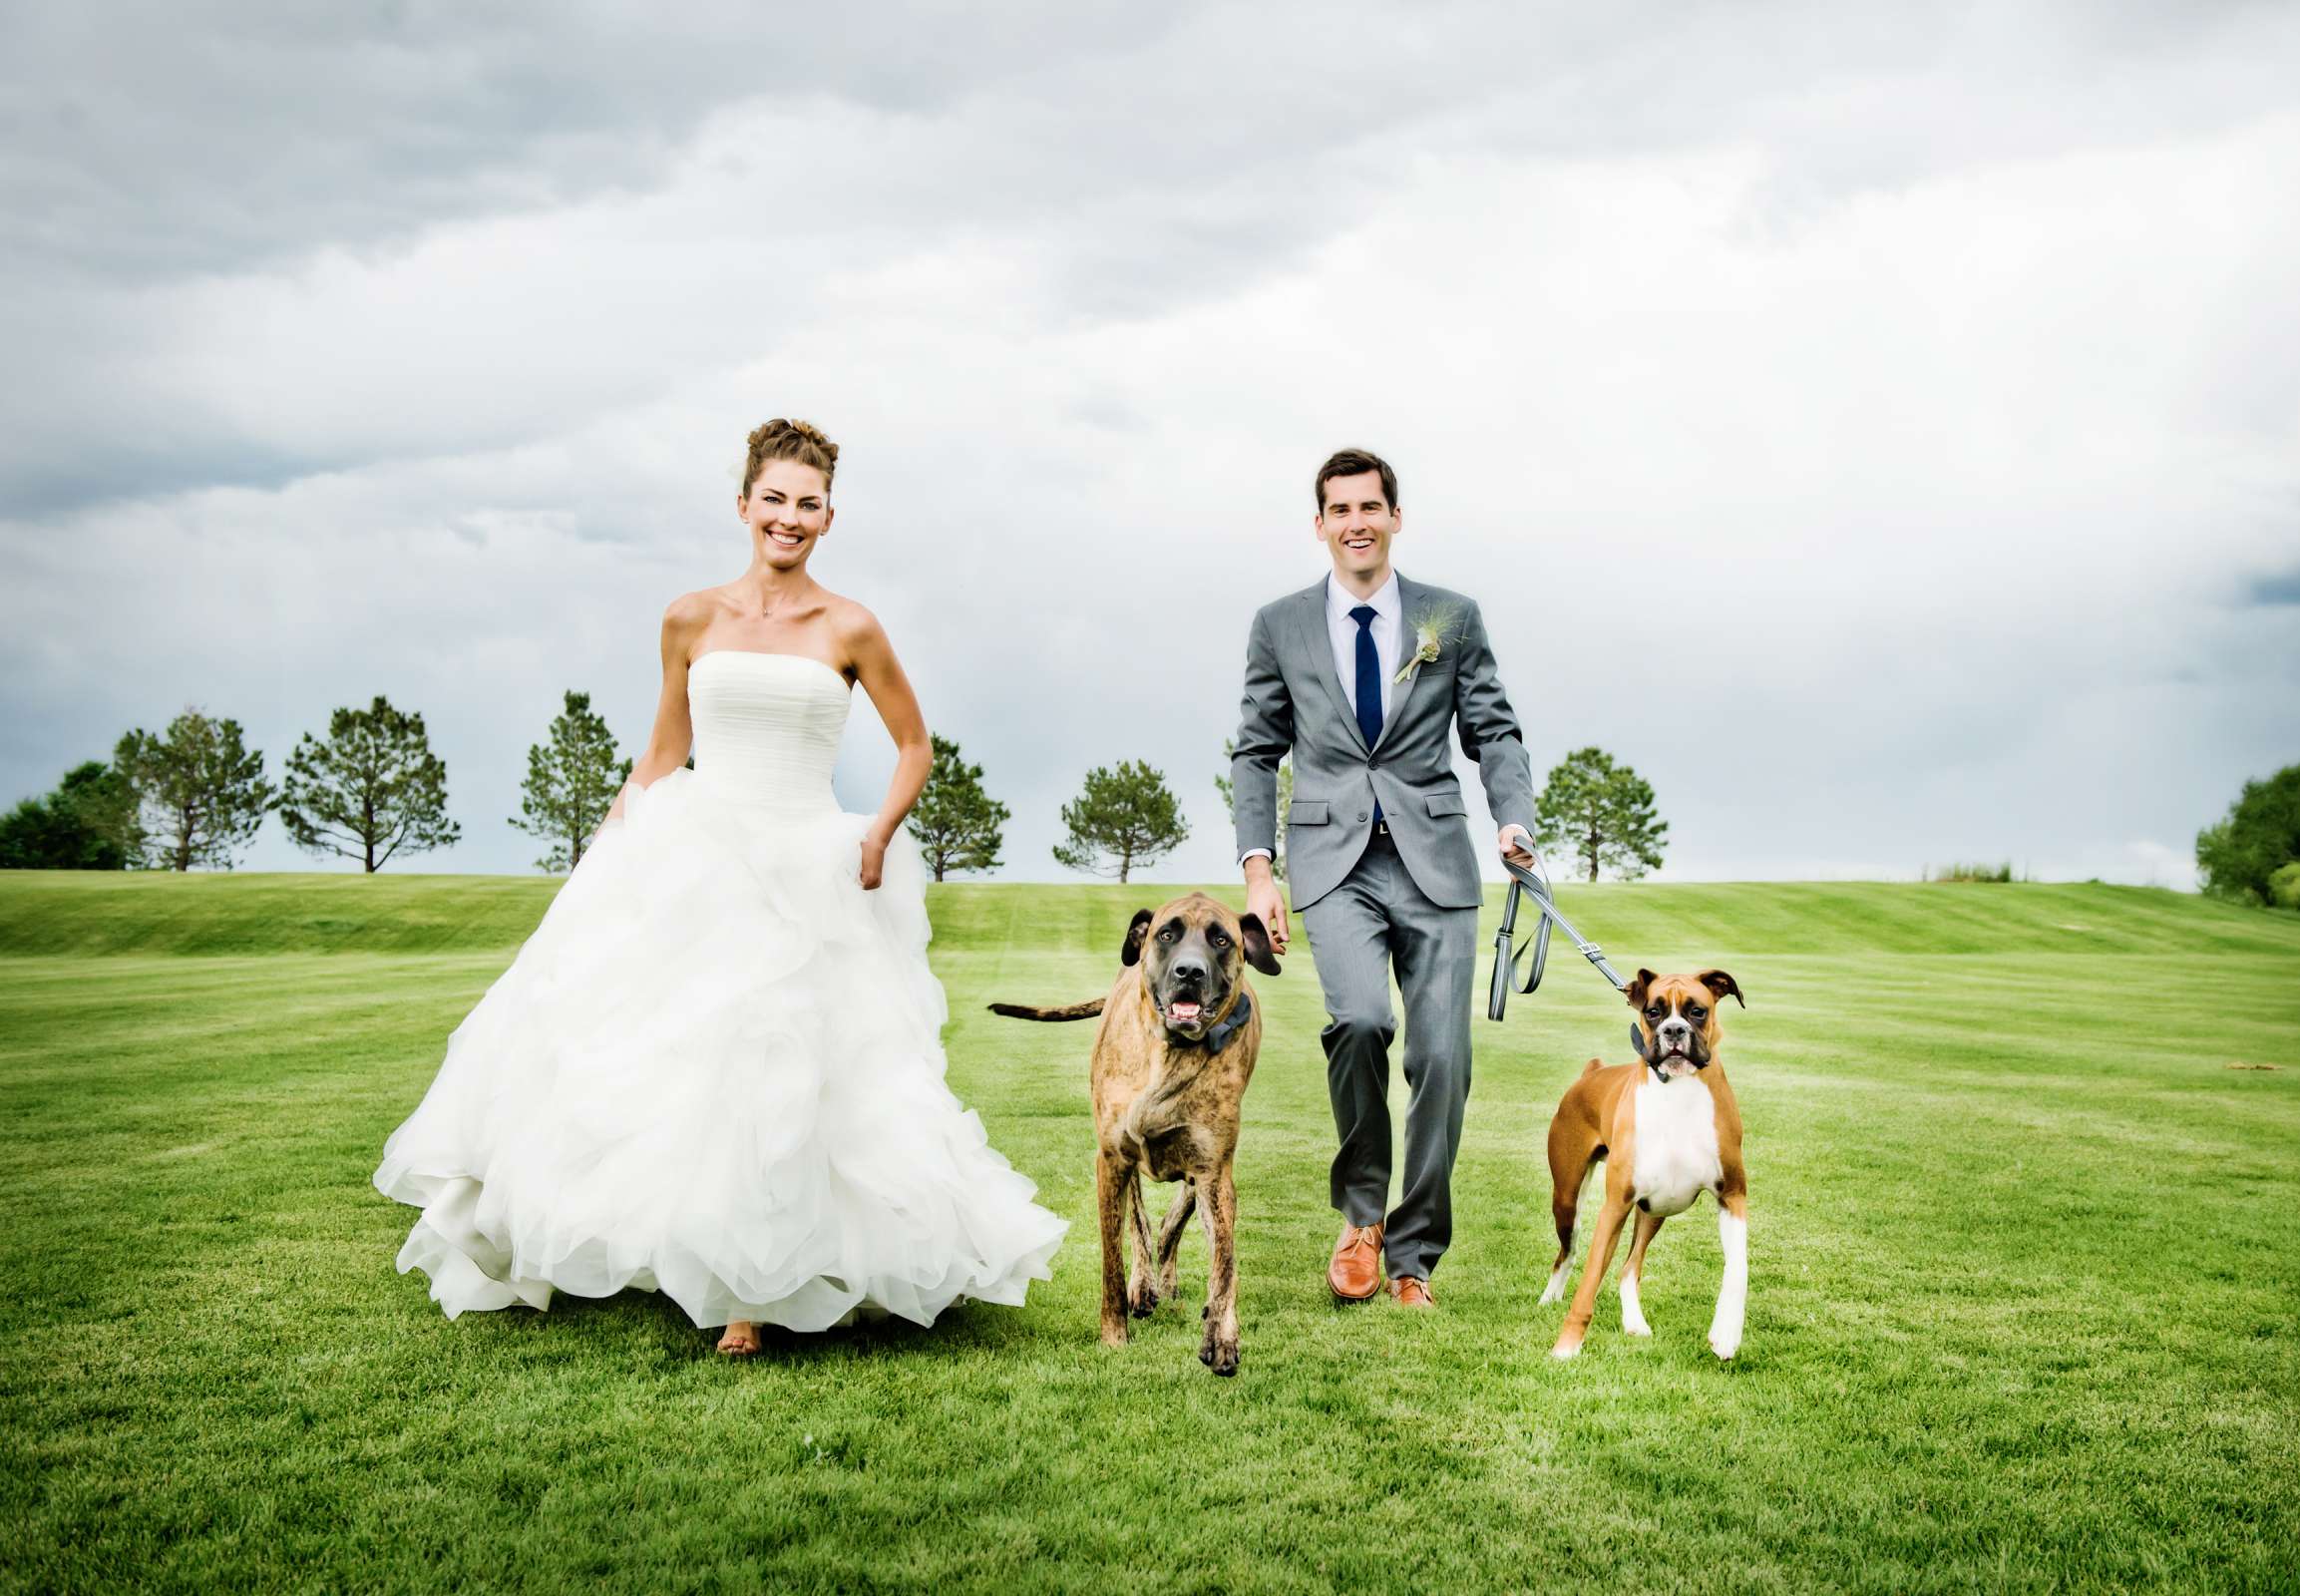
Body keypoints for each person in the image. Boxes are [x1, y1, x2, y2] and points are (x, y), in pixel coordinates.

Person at [374, 418, 1066, 1356]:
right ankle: (696, 1253)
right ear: (743, 506)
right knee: (673, 1059)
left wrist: (878, 832)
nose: (789, 517)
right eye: (773, 499)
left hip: (805, 860)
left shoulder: (850, 625)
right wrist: (608, 849)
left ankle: (755, 1293)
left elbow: (915, 747)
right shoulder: (690, 617)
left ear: (829, 516)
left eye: (807, 503)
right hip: (699, 851)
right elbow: (666, 750)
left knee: (785, 1066)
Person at [1230, 447, 1536, 1310]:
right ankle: (1361, 1216)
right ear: (1320, 523)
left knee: (1443, 1058)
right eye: (1340, 509)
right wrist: (1260, 873)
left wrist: (1513, 819)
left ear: (1396, 517)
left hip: (1436, 862)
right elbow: (1256, 752)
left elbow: (1496, 732)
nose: (1356, 522)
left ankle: (1412, 1258)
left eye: (1371, 506)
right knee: (1360, 1022)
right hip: (1332, 865)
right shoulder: (1279, 624)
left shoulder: (1452, 617)